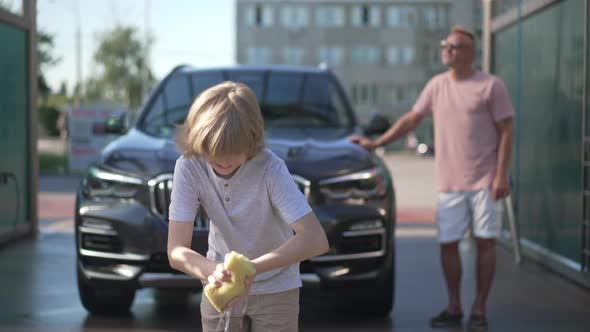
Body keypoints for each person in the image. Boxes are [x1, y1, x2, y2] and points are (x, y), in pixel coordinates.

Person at [349, 25, 514, 332]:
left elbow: (507, 130)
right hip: (449, 184)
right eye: (446, 45)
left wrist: (501, 175)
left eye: (455, 46)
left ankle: (479, 308)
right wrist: (376, 143)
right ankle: (454, 306)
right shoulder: (437, 85)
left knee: (485, 244)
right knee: (447, 244)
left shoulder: (490, 86)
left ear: (470, 52)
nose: (447, 50)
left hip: (485, 183)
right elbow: (412, 119)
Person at [167, 81, 329, 332]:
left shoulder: (270, 168)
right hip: (219, 286)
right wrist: (211, 270)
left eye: (233, 151)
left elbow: (315, 239)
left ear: (252, 141)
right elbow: (176, 250)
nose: (223, 160)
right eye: (213, 150)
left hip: (277, 287)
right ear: (198, 140)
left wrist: (253, 269)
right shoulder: (189, 166)